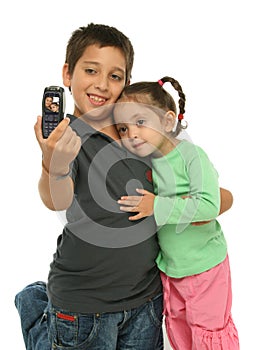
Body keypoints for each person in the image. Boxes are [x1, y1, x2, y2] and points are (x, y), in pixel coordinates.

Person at [14, 24, 233, 350]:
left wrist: (184, 207)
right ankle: (36, 311)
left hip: (146, 299)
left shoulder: (147, 127)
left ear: (126, 83)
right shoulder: (67, 137)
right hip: (83, 305)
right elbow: (56, 199)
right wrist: (53, 162)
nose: (102, 84)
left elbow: (220, 198)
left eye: (115, 76)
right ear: (67, 74)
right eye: (90, 70)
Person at [113, 76, 240, 349]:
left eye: (141, 122)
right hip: (171, 269)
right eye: (123, 127)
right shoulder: (148, 161)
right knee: (179, 333)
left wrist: (157, 205)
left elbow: (209, 204)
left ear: (168, 122)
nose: (131, 133)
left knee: (208, 333)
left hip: (205, 267)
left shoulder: (192, 155)